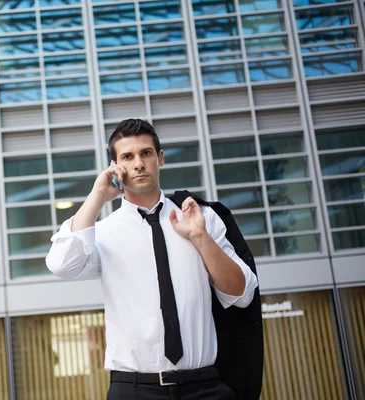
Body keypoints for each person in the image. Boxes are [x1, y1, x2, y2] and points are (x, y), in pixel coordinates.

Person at [45, 119, 259, 400]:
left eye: (146, 153)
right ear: (116, 166)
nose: (138, 164)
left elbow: (241, 295)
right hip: (134, 390)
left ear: (160, 158)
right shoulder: (104, 232)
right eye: (127, 157)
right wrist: (97, 197)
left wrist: (200, 238)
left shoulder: (200, 219)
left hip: (205, 386)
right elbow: (62, 264)